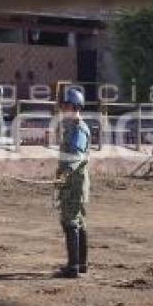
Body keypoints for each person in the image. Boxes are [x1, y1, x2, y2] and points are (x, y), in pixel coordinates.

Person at [54, 87, 91, 278]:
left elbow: (76, 156)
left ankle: (73, 267)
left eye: (66, 105)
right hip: (71, 181)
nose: (63, 109)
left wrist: (65, 173)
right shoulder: (71, 127)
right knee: (77, 221)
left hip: (75, 183)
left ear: (76, 106)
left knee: (71, 222)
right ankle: (81, 263)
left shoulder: (78, 128)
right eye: (63, 106)